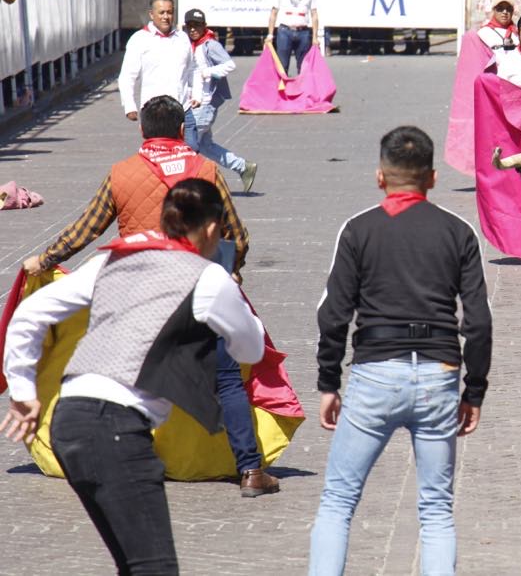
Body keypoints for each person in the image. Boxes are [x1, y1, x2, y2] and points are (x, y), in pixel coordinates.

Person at [2, 179, 266, 575]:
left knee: (133, 563)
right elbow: (252, 351)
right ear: (212, 229)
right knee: (153, 568)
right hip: (117, 429)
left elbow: (29, 313)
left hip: (68, 422)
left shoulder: (116, 258)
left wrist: (23, 389)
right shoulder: (208, 279)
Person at [19, 96, 279, 497]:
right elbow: (236, 236)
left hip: (136, 295)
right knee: (226, 379)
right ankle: (249, 471)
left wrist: (46, 258)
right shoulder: (206, 169)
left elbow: (86, 228)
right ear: (181, 130)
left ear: (142, 130)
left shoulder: (122, 173)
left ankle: (115, 461)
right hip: (196, 289)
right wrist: (231, 269)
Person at [309, 126, 493, 575]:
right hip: (438, 376)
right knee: (436, 510)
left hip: (375, 373)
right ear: (432, 177)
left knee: (338, 501)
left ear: (380, 177)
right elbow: (479, 323)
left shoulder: (358, 230)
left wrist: (328, 382)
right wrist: (474, 391)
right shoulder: (458, 232)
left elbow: (333, 314)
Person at [182, 8, 259, 193]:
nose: (193, 30)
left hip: (205, 104)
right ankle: (243, 167)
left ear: (204, 26)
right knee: (205, 145)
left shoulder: (210, 44)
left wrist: (208, 72)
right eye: (190, 26)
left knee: (188, 146)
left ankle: (193, 185)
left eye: (197, 26)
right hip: (192, 102)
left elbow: (230, 64)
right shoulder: (186, 44)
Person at [118, 0, 201, 121]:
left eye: (169, 12)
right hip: (154, 112)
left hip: (183, 109)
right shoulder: (139, 39)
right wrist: (129, 106)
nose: (166, 17)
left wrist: (196, 94)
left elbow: (193, 69)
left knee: (191, 142)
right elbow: (127, 76)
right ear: (151, 14)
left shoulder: (182, 38)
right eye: (161, 13)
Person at [266, 0, 320, 75]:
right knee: (282, 65)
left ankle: (302, 90)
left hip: (303, 32)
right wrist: (270, 34)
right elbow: (273, 13)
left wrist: (315, 37)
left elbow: (314, 14)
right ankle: (282, 90)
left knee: (304, 66)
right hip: (285, 31)